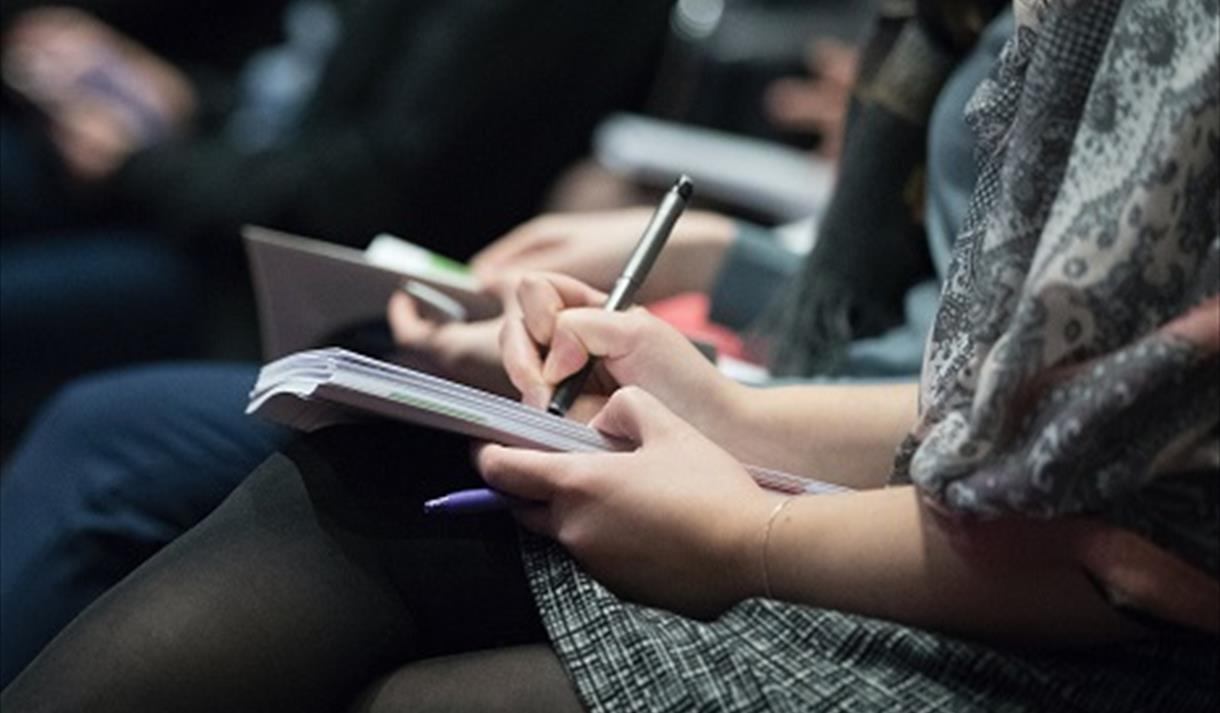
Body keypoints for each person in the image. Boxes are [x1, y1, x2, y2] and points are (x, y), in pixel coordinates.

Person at [6, 0, 1218, 708]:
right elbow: (988, 383)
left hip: (1013, 595)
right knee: (333, 474)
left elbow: (1126, 528)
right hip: (871, 446)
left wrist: (749, 525)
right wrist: (720, 399)